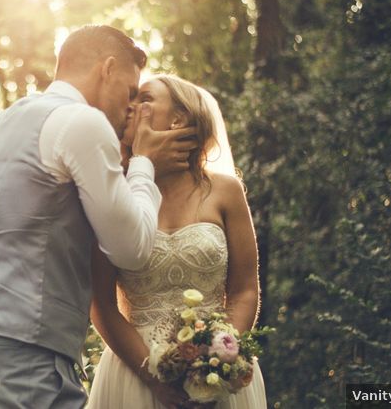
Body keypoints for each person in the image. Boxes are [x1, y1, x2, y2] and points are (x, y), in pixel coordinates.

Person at [0, 26, 198, 408]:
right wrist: (144, 164)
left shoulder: (9, 119)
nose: (129, 107)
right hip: (27, 359)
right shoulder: (83, 123)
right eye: (130, 92)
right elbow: (132, 249)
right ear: (108, 70)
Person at [87, 74, 267, 409]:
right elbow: (102, 303)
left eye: (145, 99)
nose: (131, 107)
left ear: (178, 118)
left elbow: (244, 288)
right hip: (135, 374)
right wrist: (152, 378)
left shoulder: (225, 191)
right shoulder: (115, 194)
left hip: (218, 374)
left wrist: (222, 355)